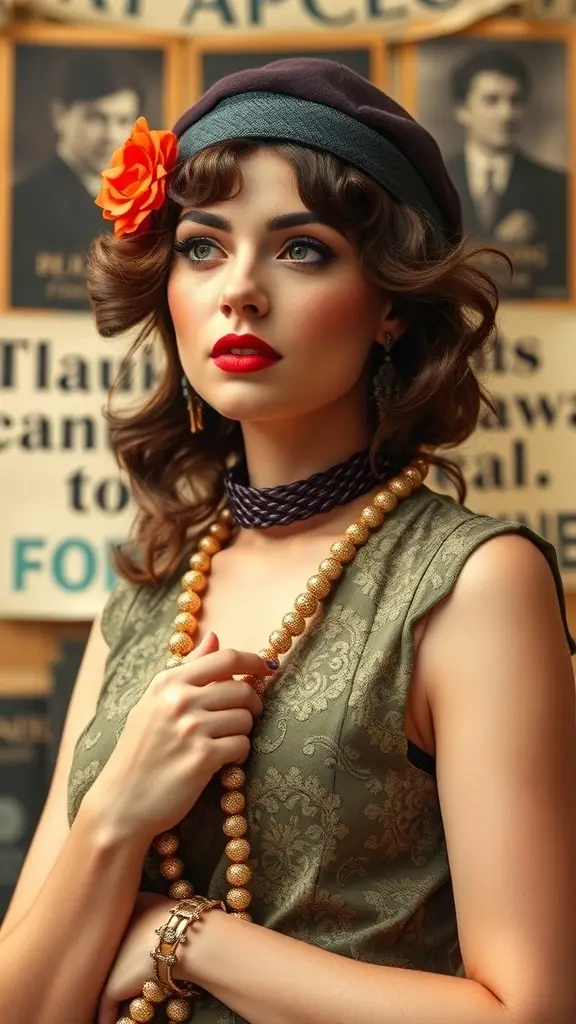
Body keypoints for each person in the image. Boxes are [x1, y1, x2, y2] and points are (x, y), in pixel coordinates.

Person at [0, 58, 575, 1024]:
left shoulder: (476, 584)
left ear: (391, 304)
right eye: (202, 247)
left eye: (301, 249)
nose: (242, 291)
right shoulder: (146, 597)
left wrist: (188, 939)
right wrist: (114, 817)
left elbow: (528, 1013)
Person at [11, 53, 142, 310]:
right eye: (96, 118)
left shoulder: (141, 203)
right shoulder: (20, 203)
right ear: (59, 115)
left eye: (123, 121)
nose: (111, 136)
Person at [445, 48, 568, 299]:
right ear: (462, 110)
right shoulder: (436, 176)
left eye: (516, 100)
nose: (507, 114)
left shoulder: (558, 186)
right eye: (492, 100)